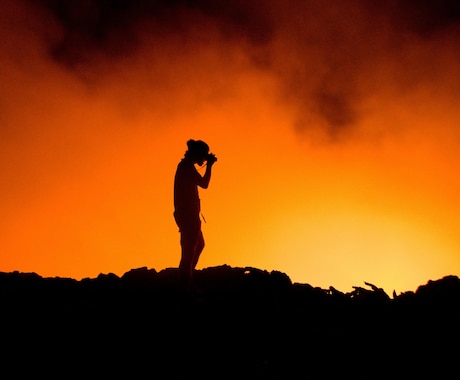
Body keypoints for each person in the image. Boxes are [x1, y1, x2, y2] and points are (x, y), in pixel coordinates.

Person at [173, 139, 217, 294]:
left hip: (188, 215)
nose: (204, 158)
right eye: (204, 155)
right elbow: (204, 184)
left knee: (198, 246)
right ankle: (185, 287)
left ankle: (187, 282)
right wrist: (210, 166)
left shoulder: (186, 167)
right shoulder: (186, 168)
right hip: (188, 216)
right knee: (189, 253)